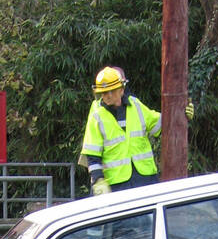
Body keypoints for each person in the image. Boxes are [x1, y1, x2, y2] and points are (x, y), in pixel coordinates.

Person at [80, 66, 193, 196]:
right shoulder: (97, 115)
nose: (108, 96)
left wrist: (181, 114)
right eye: (105, 92)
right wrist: (98, 180)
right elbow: (92, 155)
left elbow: (164, 125)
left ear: (122, 90)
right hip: (116, 183)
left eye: (112, 91)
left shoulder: (136, 106)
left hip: (145, 178)